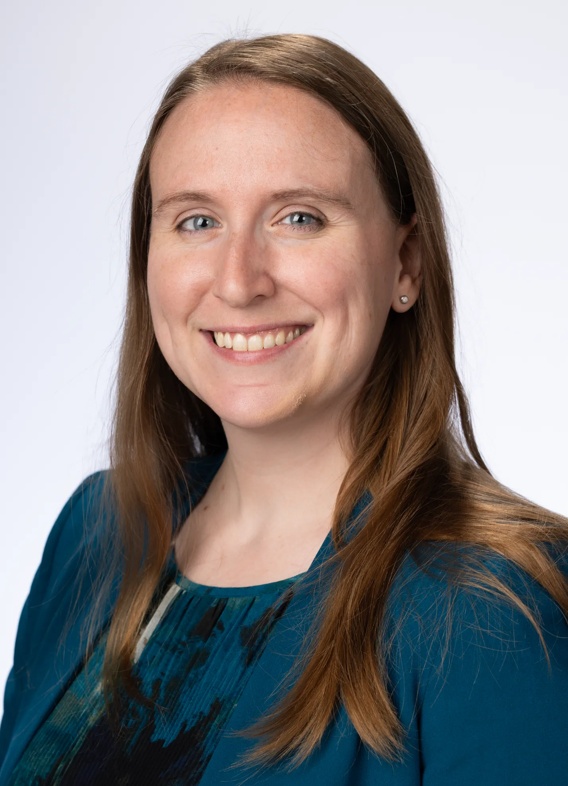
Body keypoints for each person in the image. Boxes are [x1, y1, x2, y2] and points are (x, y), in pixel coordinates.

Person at [1, 33, 567, 785]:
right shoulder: (96, 532)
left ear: (406, 265)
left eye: (299, 217)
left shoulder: (497, 607)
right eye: (196, 221)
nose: (239, 282)